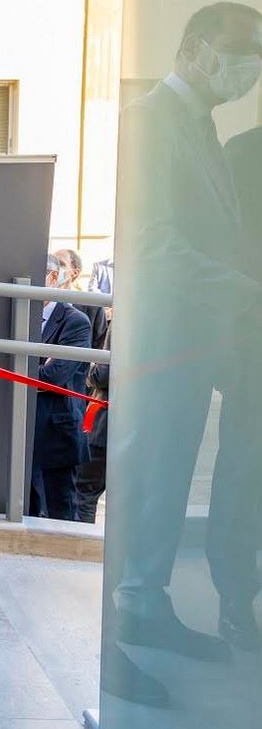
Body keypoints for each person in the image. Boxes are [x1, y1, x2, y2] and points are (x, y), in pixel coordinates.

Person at [108, 2, 262, 676]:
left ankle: (148, 602)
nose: (251, 66)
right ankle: (134, 611)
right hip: (161, 345)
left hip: (194, 344)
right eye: (242, 49)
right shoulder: (149, 121)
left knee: (168, 479)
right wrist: (247, 292)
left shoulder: (201, 125)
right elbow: (150, 243)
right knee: (149, 477)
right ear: (197, 49)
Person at [210, 123, 262, 649]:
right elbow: (225, 249)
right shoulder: (245, 153)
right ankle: (235, 598)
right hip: (255, 347)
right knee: (245, 476)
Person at [30, 254, 92, 521]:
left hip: (57, 437)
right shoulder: (21, 317)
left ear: (53, 278)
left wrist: (33, 372)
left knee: (61, 516)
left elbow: (52, 376)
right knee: (27, 512)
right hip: (22, 435)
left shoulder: (75, 321)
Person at [75, 325, 110, 524]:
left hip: (104, 426)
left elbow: (102, 375)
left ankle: (79, 540)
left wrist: (88, 370)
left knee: (84, 492)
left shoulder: (124, 322)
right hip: (140, 428)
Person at [54, 248, 108, 350]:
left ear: (75, 272)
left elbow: (100, 346)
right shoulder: (40, 302)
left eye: (61, 264)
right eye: (52, 263)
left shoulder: (93, 308)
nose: (54, 268)